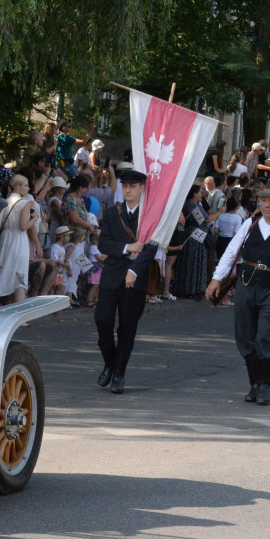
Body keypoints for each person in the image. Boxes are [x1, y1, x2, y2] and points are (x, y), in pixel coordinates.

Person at [207, 181, 270, 405]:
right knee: (245, 336)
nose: (266, 204)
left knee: (267, 336)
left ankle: (265, 386)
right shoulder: (250, 223)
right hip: (246, 285)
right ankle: (254, 384)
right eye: (263, 200)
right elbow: (232, 252)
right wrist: (216, 279)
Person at [94, 169, 158, 394]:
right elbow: (103, 244)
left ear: (142, 188)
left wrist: (134, 269)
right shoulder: (113, 213)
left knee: (127, 329)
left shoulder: (150, 215)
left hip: (135, 279)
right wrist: (126, 248)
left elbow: (152, 248)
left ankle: (119, 374)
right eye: (125, 186)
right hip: (111, 276)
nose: (128, 190)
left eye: (133, 186)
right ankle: (110, 363)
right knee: (102, 321)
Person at [0, 175, 35, 302]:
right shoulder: (23, 204)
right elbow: (24, 226)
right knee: (20, 275)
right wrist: (34, 219)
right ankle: (19, 310)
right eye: (26, 185)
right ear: (18, 186)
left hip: (6, 238)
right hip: (19, 240)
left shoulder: (4, 202)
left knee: (4, 272)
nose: (28, 189)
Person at [171, 184, 209, 300]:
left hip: (197, 236)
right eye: (200, 193)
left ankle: (195, 288)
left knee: (195, 261)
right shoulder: (191, 205)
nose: (202, 195)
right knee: (191, 262)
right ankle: (189, 289)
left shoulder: (195, 204)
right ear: (194, 193)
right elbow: (205, 219)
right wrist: (220, 212)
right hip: (192, 236)